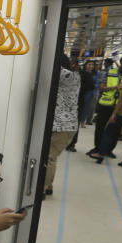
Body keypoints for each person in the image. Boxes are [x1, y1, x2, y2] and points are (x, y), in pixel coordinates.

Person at [45, 55, 80, 195]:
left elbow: (49, 71)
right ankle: (48, 186)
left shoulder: (69, 76)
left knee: (49, 158)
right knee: (51, 157)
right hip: (60, 125)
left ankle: (41, 188)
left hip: (62, 126)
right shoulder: (71, 76)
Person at [88, 55, 122, 158]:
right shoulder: (109, 73)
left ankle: (109, 150)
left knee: (116, 130)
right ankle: (97, 147)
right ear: (120, 63)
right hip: (105, 104)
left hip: (120, 107)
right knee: (100, 127)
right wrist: (115, 87)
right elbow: (101, 87)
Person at [67, 59, 98, 151]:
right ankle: (67, 142)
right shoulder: (68, 73)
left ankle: (71, 143)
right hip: (70, 101)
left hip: (78, 101)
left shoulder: (85, 75)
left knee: (74, 123)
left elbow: (91, 87)